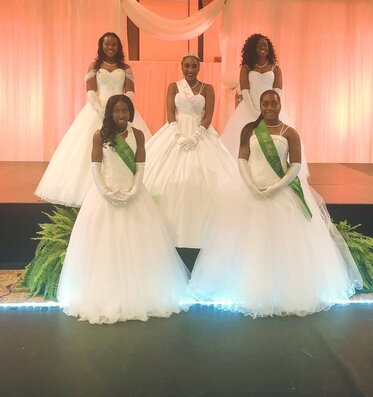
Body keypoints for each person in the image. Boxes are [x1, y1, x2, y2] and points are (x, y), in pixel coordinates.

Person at [190, 90, 362, 317]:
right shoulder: (250, 130)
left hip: (280, 193)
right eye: (265, 104)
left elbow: (295, 165)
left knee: (283, 244)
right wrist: (250, 184)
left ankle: (283, 291)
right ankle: (250, 289)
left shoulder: (290, 133)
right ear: (260, 106)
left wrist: (277, 186)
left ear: (280, 105)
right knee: (249, 242)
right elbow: (242, 158)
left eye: (273, 103)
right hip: (250, 191)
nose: (269, 107)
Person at [57, 95, 188, 324]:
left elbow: (140, 165)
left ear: (130, 112)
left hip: (134, 195)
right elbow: (95, 166)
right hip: (104, 196)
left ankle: (140, 294)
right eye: (117, 111)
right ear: (110, 113)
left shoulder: (137, 135)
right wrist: (105, 191)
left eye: (125, 111)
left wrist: (135, 189)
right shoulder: (100, 135)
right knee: (104, 246)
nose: (121, 115)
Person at [35, 32, 151, 207]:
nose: (110, 47)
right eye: (107, 44)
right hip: (99, 110)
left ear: (118, 47)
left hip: (121, 110)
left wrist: (123, 106)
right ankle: (93, 192)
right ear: (101, 46)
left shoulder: (125, 67)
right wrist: (100, 110)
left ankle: (128, 184)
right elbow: (90, 90)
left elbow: (130, 90)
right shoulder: (94, 67)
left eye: (114, 44)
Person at [143, 53, 237, 249]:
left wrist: (196, 136)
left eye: (194, 66)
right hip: (175, 131)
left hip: (201, 133)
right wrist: (178, 135)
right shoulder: (173, 87)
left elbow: (208, 116)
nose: (190, 70)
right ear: (181, 66)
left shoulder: (207, 88)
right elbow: (170, 113)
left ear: (199, 67)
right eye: (186, 66)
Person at [221, 33, 282, 158]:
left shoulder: (275, 68)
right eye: (258, 45)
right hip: (249, 108)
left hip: (271, 109)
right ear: (252, 49)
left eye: (265, 45)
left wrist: (271, 111)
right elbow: (245, 91)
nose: (262, 47)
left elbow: (277, 91)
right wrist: (254, 112)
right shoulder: (246, 68)